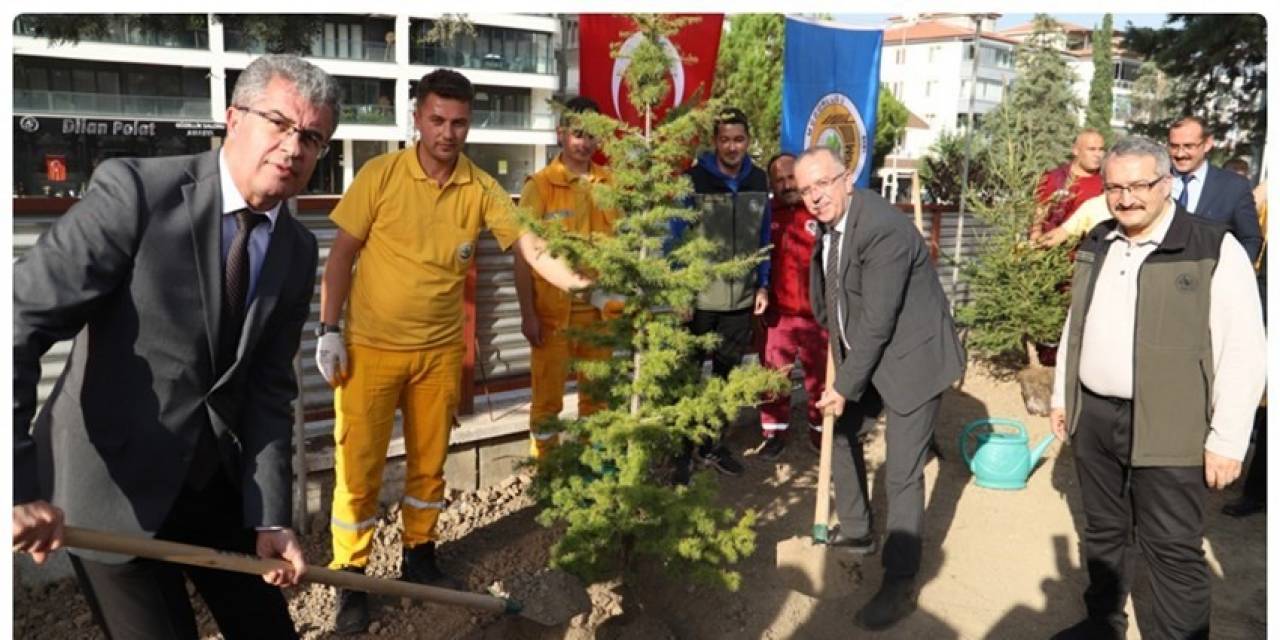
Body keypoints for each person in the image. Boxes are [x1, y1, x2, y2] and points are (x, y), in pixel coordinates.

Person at [12, 54, 337, 639]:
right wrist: (15, 484)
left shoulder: (294, 249)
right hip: (110, 486)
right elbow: (18, 321)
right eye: (280, 124)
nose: (294, 147)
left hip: (212, 481)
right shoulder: (134, 194)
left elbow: (267, 387)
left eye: (312, 137)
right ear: (233, 119)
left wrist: (268, 516)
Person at [314, 68, 591, 634]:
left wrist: (584, 284)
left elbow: (532, 248)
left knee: (429, 465)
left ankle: (420, 555)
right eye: (437, 120)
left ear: (470, 124)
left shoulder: (481, 187)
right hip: (369, 349)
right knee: (359, 469)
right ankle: (351, 576)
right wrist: (327, 329)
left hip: (439, 354)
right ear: (416, 118)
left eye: (459, 122)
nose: (448, 132)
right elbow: (341, 255)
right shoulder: (379, 175)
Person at [1049, 136, 1266, 639]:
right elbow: (1075, 325)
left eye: (1139, 186)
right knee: (1103, 532)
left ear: (1166, 184)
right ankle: (1103, 621)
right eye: (1115, 188)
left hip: (1172, 427)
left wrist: (1228, 440)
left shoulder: (1212, 247)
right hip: (1097, 419)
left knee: (1172, 547)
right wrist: (1064, 394)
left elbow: (1245, 349)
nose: (1126, 198)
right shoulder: (1098, 242)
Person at [796, 146, 966, 631]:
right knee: (843, 431)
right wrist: (838, 348)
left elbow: (877, 321)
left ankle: (900, 582)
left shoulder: (883, 230)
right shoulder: (832, 224)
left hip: (914, 360)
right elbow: (832, 291)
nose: (815, 197)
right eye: (806, 190)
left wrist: (845, 384)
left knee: (902, 472)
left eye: (823, 185)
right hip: (870, 359)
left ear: (846, 179)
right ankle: (856, 532)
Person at [666, 107, 772, 478]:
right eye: (725, 139)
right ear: (715, 142)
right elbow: (674, 239)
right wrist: (680, 291)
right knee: (688, 376)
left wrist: (762, 282)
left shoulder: (759, 180)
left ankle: (712, 445)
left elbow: (763, 237)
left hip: (740, 301)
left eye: (739, 139)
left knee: (726, 379)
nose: (732, 146)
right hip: (697, 302)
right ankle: (681, 453)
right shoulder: (693, 181)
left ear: (747, 141)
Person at [515, 96, 616, 459]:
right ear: (561, 134)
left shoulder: (611, 184)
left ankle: (595, 467)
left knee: (598, 398)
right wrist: (527, 313)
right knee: (547, 402)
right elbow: (523, 255)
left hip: (599, 313)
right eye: (577, 134)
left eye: (592, 135)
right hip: (551, 314)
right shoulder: (539, 187)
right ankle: (547, 471)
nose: (584, 142)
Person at [755, 152, 827, 459]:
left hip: (816, 317)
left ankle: (821, 433)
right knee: (772, 380)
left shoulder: (820, 213)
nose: (786, 185)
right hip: (777, 318)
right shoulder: (764, 216)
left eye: (790, 178)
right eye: (779, 179)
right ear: (771, 183)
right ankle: (774, 435)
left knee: (820, 381)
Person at [1167, 115, 1262, 262]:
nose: (1180, 154)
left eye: (1188, 146)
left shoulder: (1234, 187)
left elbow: (1250, 239)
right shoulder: (1155, 181)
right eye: (1174, 146)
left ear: (1207, 144)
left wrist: (1233, 274)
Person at [1029, 129, 1106, 245]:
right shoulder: (1055, 177)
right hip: (1052, 249)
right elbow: (1040, 208)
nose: (1098, 155)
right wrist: (1035, 236)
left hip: (1087, 249)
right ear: (1075, 151)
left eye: (1101, 149)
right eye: (1091, 149)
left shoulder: (1106, 181)